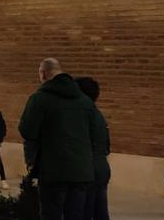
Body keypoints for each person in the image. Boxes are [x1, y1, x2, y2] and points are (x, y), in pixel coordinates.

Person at [18, 59, 105, 220]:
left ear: (43, 74)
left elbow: (27, 131)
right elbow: (96, 134)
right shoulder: (85, 101)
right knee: (75, 215)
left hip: (53, 171)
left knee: (51, 214)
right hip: (81, 171)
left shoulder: (39, 99)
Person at [75, 77, 110, 220]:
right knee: (100, 211)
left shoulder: (83, 115)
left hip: (87, 170)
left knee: (86, 212)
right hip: (100, 168)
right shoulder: (98, 115)